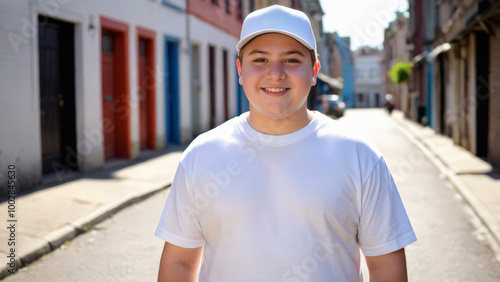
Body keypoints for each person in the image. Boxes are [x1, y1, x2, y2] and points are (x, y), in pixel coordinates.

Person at [156, 5, 416, 282]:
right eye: (260, 60)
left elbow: (385, 267)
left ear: (314, 71)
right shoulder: (201, 155)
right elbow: (180, 263)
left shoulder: (360, 156)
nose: (275, 73)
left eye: (292, 60)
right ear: (240, 70)